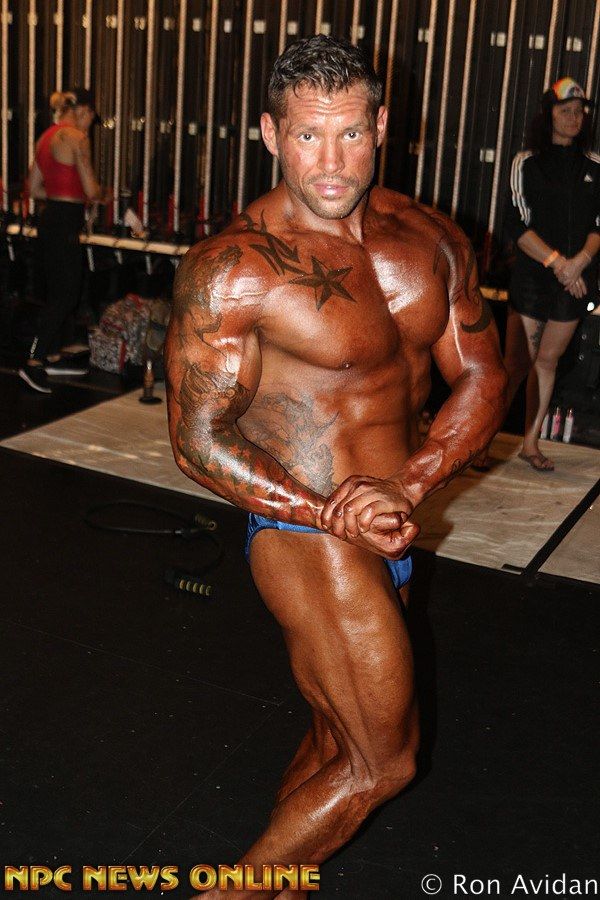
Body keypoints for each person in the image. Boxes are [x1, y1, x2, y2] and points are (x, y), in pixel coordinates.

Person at [165, 36, 507, 899]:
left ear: (381, 126)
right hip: (304, 526)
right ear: (270, 134)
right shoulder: (233, 268)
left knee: (334, 743)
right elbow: (197, 438)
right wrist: (329, 512)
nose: (330, 161)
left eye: (350, 133)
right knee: (385, 763)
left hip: (389, 518)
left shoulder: (430, 239)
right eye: (307, 135)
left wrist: (407, 486)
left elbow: (483, 376)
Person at [478, 77, 599, 471]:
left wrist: (578, 263)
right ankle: (481, 442)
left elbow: (598, 226)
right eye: (566, 110)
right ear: (549, 114)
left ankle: (530, 444)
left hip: (574, 281)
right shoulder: (526, 162)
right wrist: (560, 264)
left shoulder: (595, 166)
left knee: (547, 362)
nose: (574, 117)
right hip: (535, 278)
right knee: (516, 364)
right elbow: (515, 224)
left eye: (579, 112)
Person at [18, 88, 103, 394]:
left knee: (58, 291)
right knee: (66, 294)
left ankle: (50, 355)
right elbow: (91, 189)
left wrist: (64, 192)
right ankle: (34, 360)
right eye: (91, 117)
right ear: (84, 111)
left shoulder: (45, 138)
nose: (90, 124)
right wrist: (101, 195)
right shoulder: (76, 138)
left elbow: (34, 189)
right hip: (65, 221)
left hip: (50, 218)